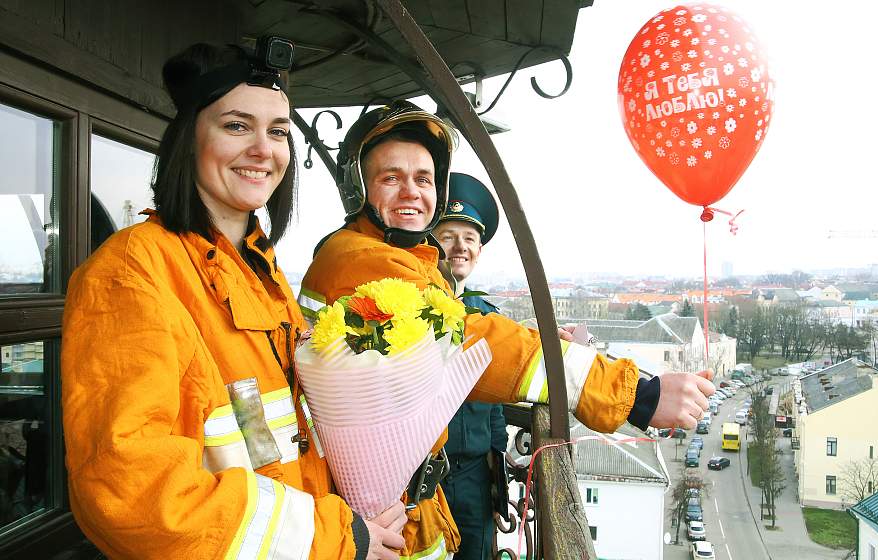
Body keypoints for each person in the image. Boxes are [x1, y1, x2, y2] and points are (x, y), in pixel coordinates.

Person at [299, 100, 716, 559]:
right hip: (380, 510)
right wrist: (635, 394)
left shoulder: (392, 255)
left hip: (403, 501)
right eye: (390, 178)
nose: (411, 192)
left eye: (423, 179)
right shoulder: (359, 258)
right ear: (359, 188)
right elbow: (471, 343)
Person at [61, 41, 406, 559]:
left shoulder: (258, 267)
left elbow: (273, 437)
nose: (264, 150)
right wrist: (325, 536)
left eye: (278, 131)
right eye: (237, 126)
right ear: (189, 140)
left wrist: (355, 508)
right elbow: (128, 487)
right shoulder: (129, 272)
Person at [435, 173, 507, 560]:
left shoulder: (488, 317)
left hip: (474, 478)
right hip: (421, 477)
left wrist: (498, 483)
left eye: (470, 239)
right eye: (448, 237)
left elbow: (494, 406)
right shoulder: (408, 308)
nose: (459, 247)